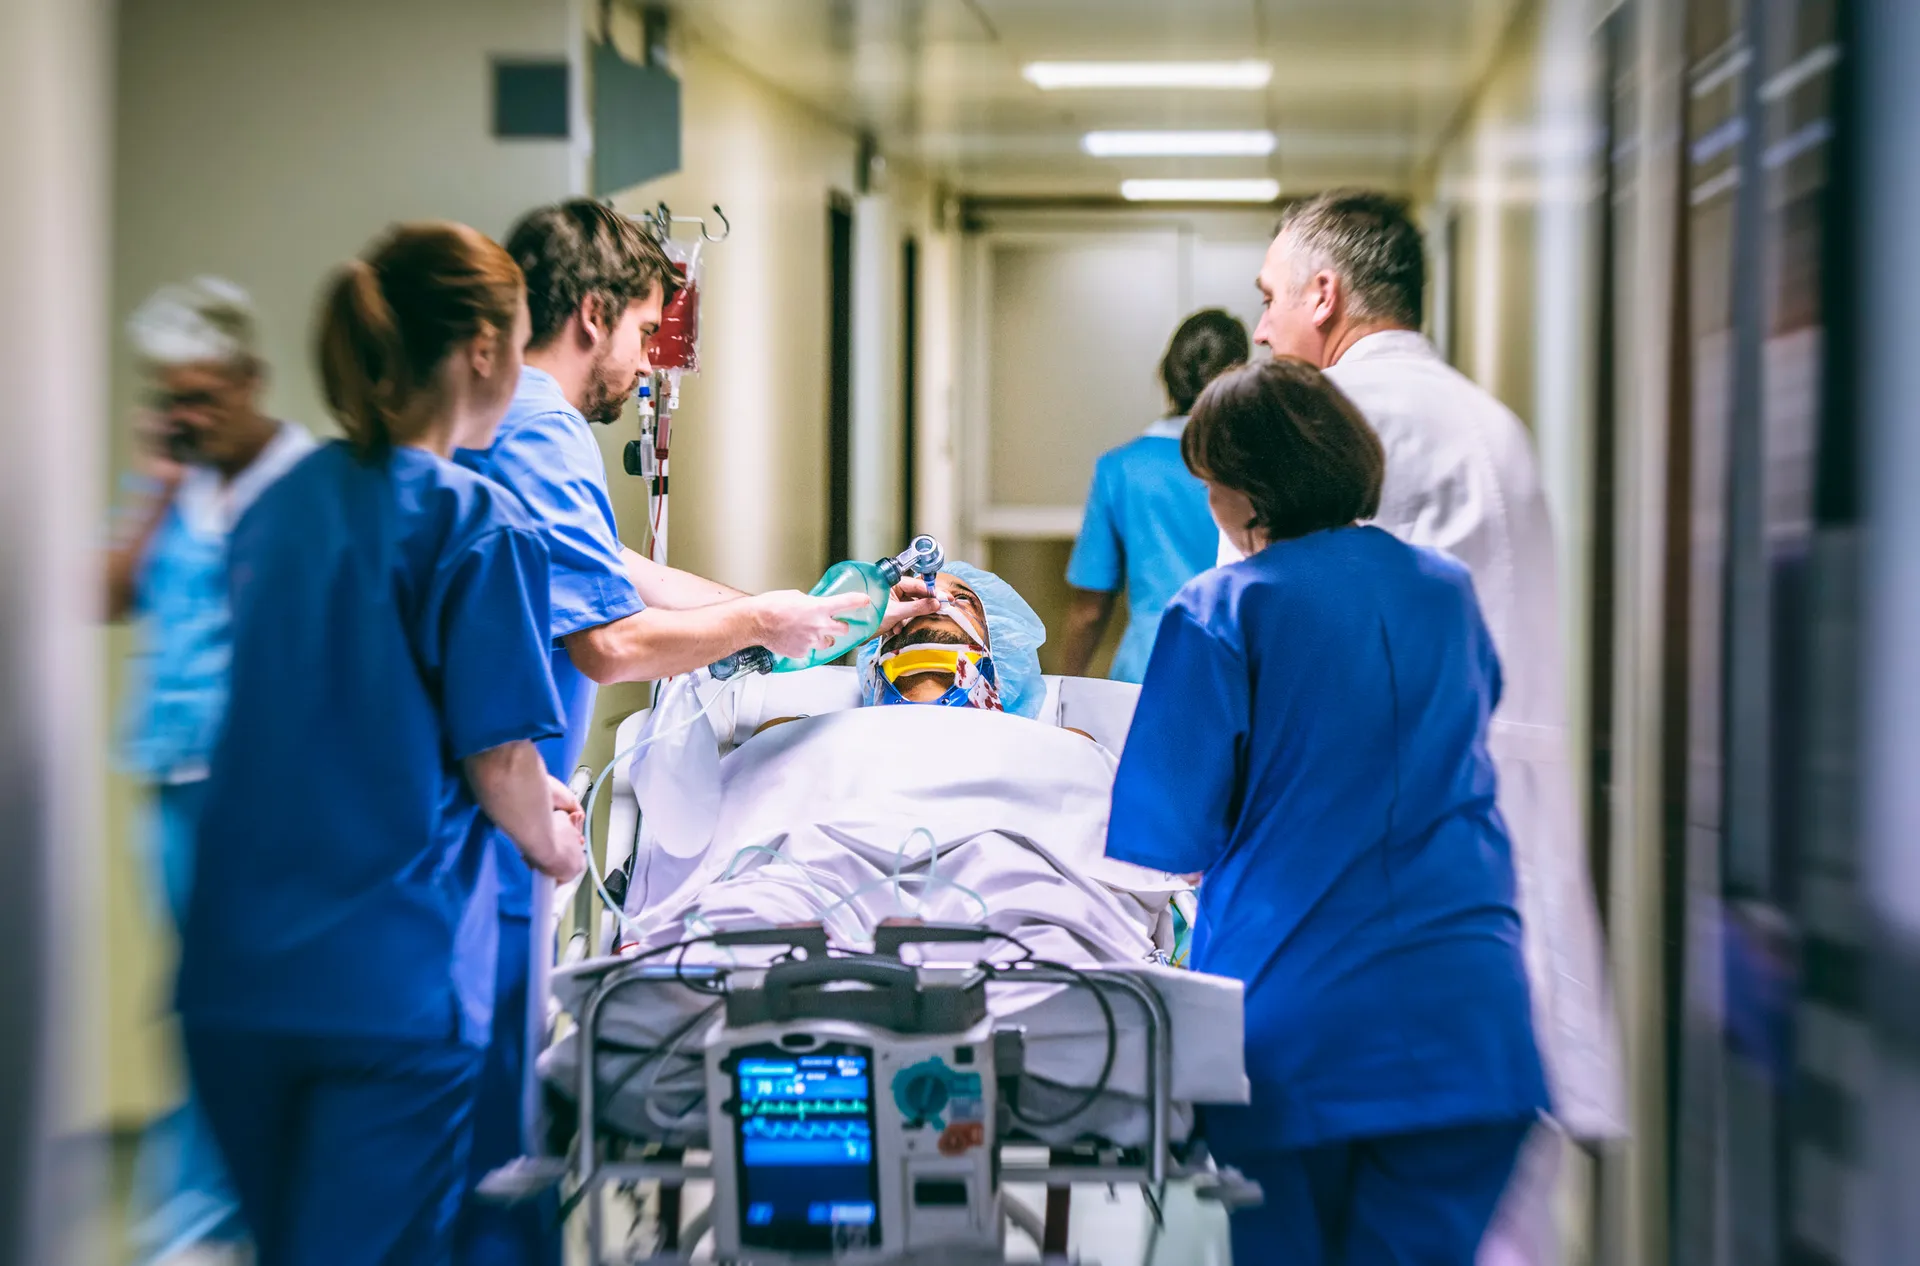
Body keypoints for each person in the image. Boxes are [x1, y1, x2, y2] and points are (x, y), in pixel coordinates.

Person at [448, 199, 894, 1266]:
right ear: (592, 315)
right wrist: (758, 628)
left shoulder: (510, 423)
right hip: (500, 816)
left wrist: (802, 620)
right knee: (485, 1123)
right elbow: (609, 642)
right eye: (649, 333)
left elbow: (613, 569)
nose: (651, 365)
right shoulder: (546, 427)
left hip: (494, 805)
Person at [1225, 189, 1624, 1264]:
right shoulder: (1497, 429)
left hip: (1365, 917)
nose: (1260, 327)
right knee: (1499, 1223)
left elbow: (1247, 683)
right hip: (1505, 898)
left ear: (1324, 294)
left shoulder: (1316, 434)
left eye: (1269, 297)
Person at [176, 222, 587, 1266]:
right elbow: (500, 762)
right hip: (387, 987)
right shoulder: (477, 522)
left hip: (235, 976)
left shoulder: (276, 507)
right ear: (485, 351)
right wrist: (553, 840)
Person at [1106, 359, 1550, 1265]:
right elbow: (1471, 720)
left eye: (1210, 482)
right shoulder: (1445, 591)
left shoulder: (1221, 610)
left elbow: (1171, 832)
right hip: (1470, 1026)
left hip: (1299, 1033)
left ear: (1246, 491)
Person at [105, 276, 314, 1266]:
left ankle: (253, 1210)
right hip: (175, 780)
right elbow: (107, 591)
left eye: (202, 395)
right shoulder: (173, 484)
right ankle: (196, 1221)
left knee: (262, 1002)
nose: (186, 415)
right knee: (199, 1002)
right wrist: (155, 478)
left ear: (249, 379)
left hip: (271, 792)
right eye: (170, 398)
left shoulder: (303, 479)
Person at [1060, 309, 1248, 683]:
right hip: (1237, 670)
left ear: (1168, 375)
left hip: (1146, 672)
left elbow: (1090, 610)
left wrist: (1066, 683)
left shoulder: (1122, 468)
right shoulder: (1259, 466)